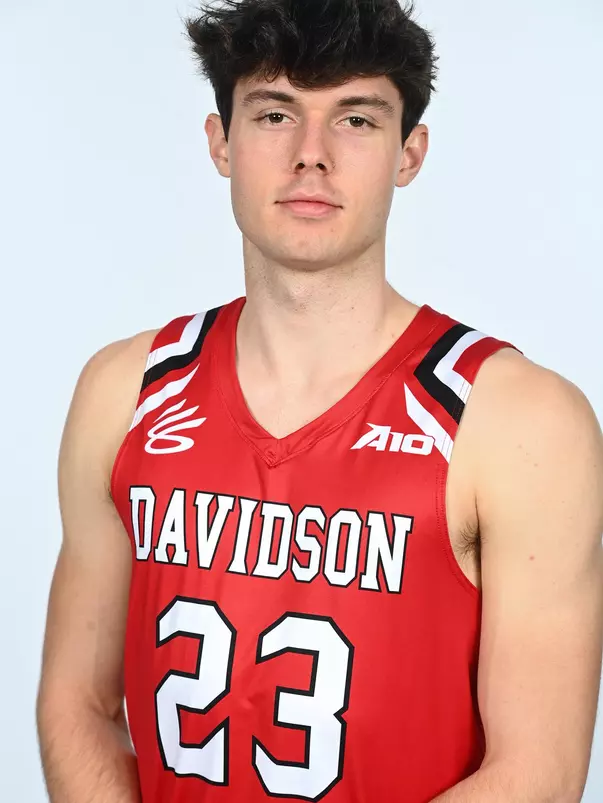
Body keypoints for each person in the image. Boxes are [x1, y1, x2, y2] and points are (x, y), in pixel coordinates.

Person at [36, 1, 603, 801]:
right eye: (274, 113)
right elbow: (78, 704)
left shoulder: (515, 422)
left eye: (356, 120)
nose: (311, 156)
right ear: (220, 143)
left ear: (409, 153)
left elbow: (536, 773)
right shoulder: (126, 390)